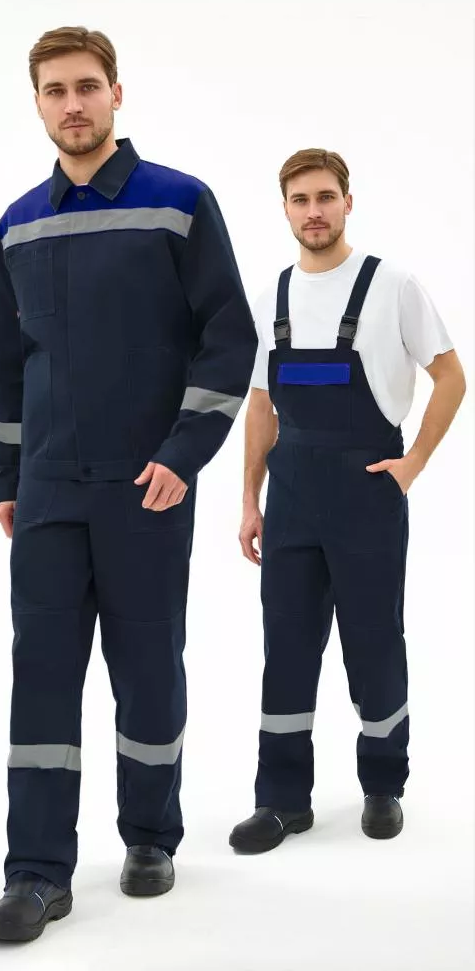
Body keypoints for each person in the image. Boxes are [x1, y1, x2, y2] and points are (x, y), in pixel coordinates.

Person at [0, 26, 257, 943]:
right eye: (55, 90)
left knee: (147, 670)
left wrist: (183, 455)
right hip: (49, 491)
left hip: (147, 487)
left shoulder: (180, 203)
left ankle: (149, 837)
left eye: (87, 86)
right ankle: (35, 873)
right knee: (41, 678)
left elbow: (228, 337)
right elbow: (3, 363)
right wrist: (7, 476)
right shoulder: (17, 223)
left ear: (116, 94)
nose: (73, 104)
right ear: (37, 103)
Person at [230, 148, 466, 854]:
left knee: (373, 640)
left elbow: (452, 376)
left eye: (325, 197)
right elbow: (262, 405)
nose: (314, 212)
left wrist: (413, 464)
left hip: (368, 487)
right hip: (293, 493)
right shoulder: (272, 296)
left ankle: (383, 786)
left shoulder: (392, 285)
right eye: (300, 200)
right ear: (285, 209)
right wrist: (250, 499)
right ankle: (281, 801)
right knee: (286, 645)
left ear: (348, 202)